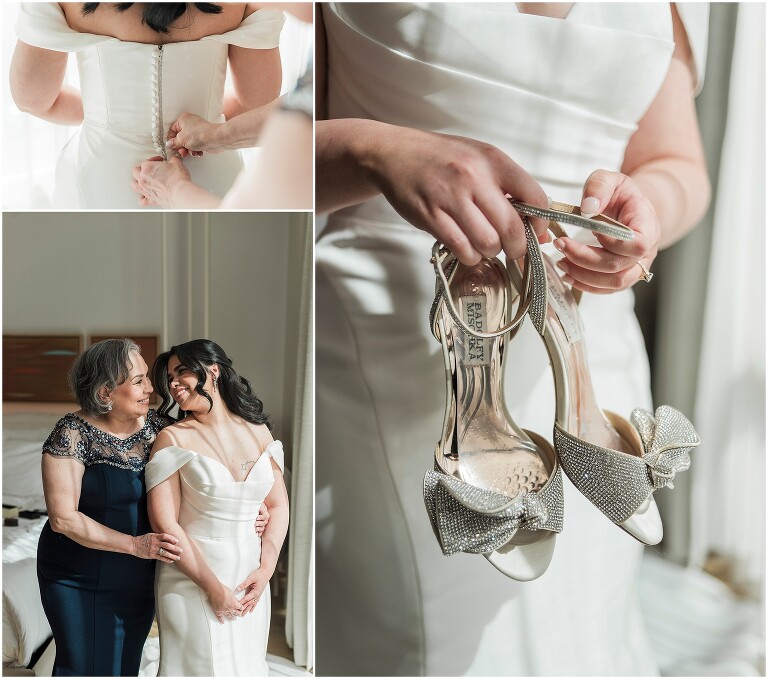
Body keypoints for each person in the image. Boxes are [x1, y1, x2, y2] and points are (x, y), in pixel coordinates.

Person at [315, 3, 710, 676]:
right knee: (415, 643)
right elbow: (254, 151)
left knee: (583, 630)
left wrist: (646, 217)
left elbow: (677, 163)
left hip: (587, 325)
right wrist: (375, 150)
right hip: (383, 335)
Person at [10, 2, 284, 208]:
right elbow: (256, 103)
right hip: (211, 181)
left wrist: (105, 114)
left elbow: (33, 100)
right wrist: (210, 124)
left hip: (103, 181)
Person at [37, 339, 183, 676]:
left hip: (138, 574)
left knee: (123, 665)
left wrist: (254, 507)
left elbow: (208, 472)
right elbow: (63, 519)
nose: (151, 389)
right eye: (138, 381)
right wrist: (135, 545)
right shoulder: (71, 433)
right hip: (75, 573)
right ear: (105, 392)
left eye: (147, 378)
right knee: (80, 665)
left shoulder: (161, 429)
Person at [145, 339, 289, 676]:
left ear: (213, 370)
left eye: (182, 372)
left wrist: (266, 570)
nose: (174, 384)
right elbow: (166, 524)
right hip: (192, 578)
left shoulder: (259, 432)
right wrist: (212, 588)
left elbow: (278, 505)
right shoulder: (173, 439)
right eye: (170, 378)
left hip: (251, 580)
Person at [131, 2, 313, 209]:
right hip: (215, 175)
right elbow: (263, 103)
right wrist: (215, 134)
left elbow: (245, 216)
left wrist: (174, 190)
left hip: (189, 187)